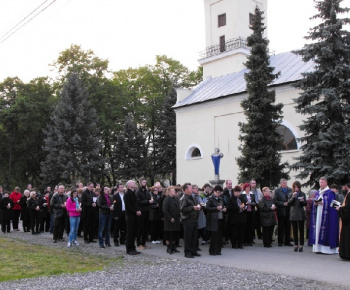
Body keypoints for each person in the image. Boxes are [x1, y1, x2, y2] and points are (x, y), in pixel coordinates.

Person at [309, 177, 339, 254]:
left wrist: (323, 203)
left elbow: (333, 204)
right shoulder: (318, 192)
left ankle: (326, 249)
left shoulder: (330, 193)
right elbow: (314, 202)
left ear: (326, 183)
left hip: (326, 216)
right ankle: (318, 248)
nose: (321, 184)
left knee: (326, 230)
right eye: (320, 182)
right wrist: (315, 203)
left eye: (322, 182)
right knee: (318, 229)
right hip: (318, 214)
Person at [180, 183, 201, 258]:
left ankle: (193, 251)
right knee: (188, 237)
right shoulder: (184, 198)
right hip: (187, 219)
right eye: (190, 188)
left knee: (194, 237)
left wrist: (198, 206)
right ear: (186, 189)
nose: (192, 189)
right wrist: (192, 208)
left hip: (194, 219)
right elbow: (182, 209)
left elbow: (197, 204)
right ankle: (188, 252)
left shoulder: (193, 197)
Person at [206, 185, 226, 255]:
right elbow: (207, 208)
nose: (219, 194)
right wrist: (216, 208)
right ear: (214, 191)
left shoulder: (220, 198)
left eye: (220, 192)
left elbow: (222, 206)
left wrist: (224, 209)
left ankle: (218, 250)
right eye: (217, 192)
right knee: (214, 236)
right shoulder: (210, 198)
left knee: (219, 236)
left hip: (220, 218)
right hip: (213, 219)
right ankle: (212, 251)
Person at [124, 180, 141, 255]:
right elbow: (128, 206)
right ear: (129, 185)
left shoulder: (133, 193)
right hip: (130, 215)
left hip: (135, 215)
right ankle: (129, 249)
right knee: (130, 232)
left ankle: (133, 248)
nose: (135, 184)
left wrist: (138, 210)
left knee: (134, 232)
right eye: (133, 183)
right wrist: (135, 211)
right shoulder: (127, 194)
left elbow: (136, 203)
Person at [288, 181, 306, 252]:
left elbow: (305, 204)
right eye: (295, 187)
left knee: (301, 230)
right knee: (295, 230)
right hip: (293, 213)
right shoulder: (291, 194)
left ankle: (301, 245)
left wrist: (302, 201)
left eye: (297, 187)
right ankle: (296, 245)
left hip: (300, 213)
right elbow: (289, 203)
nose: (296, 188)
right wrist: (293, 197)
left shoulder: (302, 194)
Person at [274, 179, 293, 246]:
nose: (285, 184)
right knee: (281, 227)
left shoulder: (290, 190)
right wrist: (283, 204)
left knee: (288, 227)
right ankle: (280, 241)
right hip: (281, 211)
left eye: (286, 183)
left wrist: (289, 203)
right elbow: (275, 201)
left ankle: (287, 241)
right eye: (284, 183)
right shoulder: (277, 191)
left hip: (288, 211)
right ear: (281, 184)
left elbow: (292, 199)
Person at [162, 186, 181, 254]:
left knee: (175, 234)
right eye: (173, 191)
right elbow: (165, 210)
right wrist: (170, 218)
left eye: (174, 191)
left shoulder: (176, 198)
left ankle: (173, 247)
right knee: (169, 234)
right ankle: (169, 247)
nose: (174, 192)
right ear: (169, 192)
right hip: (169, 220)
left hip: (176, 219)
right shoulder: (167, 199)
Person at [136, 178, 152, 250]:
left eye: (145, 182)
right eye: (143, 182)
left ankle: (143, 243)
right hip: (141, 211)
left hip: (147, 211)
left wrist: (148, 201)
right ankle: (138, 244)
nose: (145, 184)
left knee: (146, 229)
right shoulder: (138, 192)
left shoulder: (147, 191)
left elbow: (149, 199)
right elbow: (139, 202)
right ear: (140, 183)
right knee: (139, 228)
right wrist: (148, 202)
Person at [336, 183, 350, 260]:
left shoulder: (349, 195)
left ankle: (346, 254)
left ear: (346, 187)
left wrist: (340, 209)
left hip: (348, 221)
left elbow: (348, 209)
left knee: (347, 237)